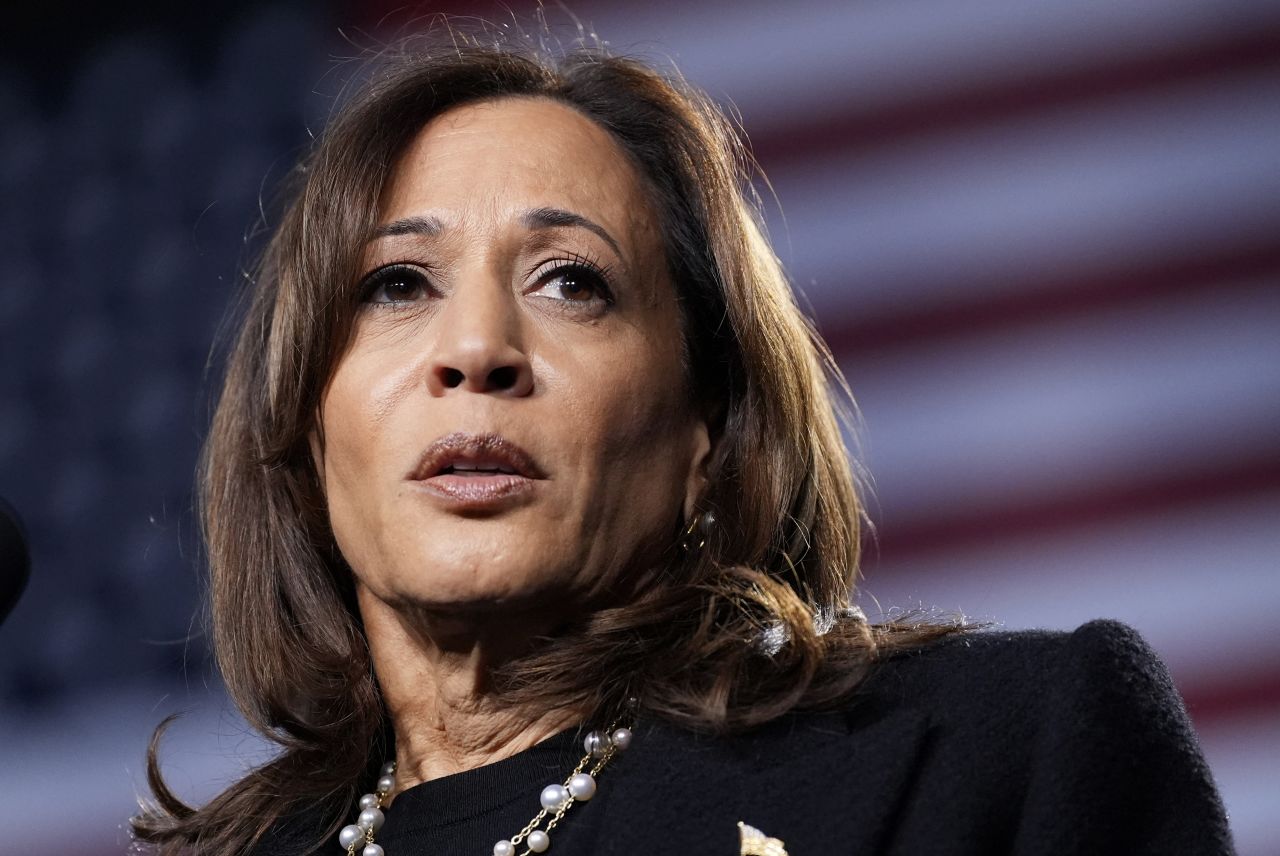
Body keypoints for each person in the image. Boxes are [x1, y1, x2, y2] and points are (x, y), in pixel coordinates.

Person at [131, 28, 1234, 856]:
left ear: (708, 430)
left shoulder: (1001, 753)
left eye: (571, 282)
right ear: (305, 426)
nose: (474, 350)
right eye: (395, 284)